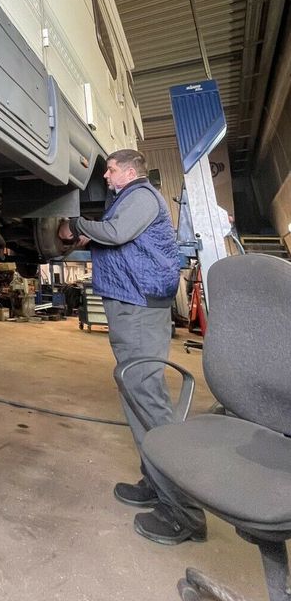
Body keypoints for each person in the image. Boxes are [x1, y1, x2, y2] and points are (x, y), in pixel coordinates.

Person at [58, 149, 206, 545]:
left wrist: (76, 222)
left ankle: (184, 512)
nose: (105, 176)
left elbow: (117, 234)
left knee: (148, 399)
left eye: (109, 170)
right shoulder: (127, 201)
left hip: (140, 308)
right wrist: (88, 234)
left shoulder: (140, 195)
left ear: (128, 171)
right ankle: (157, 483)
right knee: (136, 395)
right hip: (129, 305)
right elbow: (113, 244)